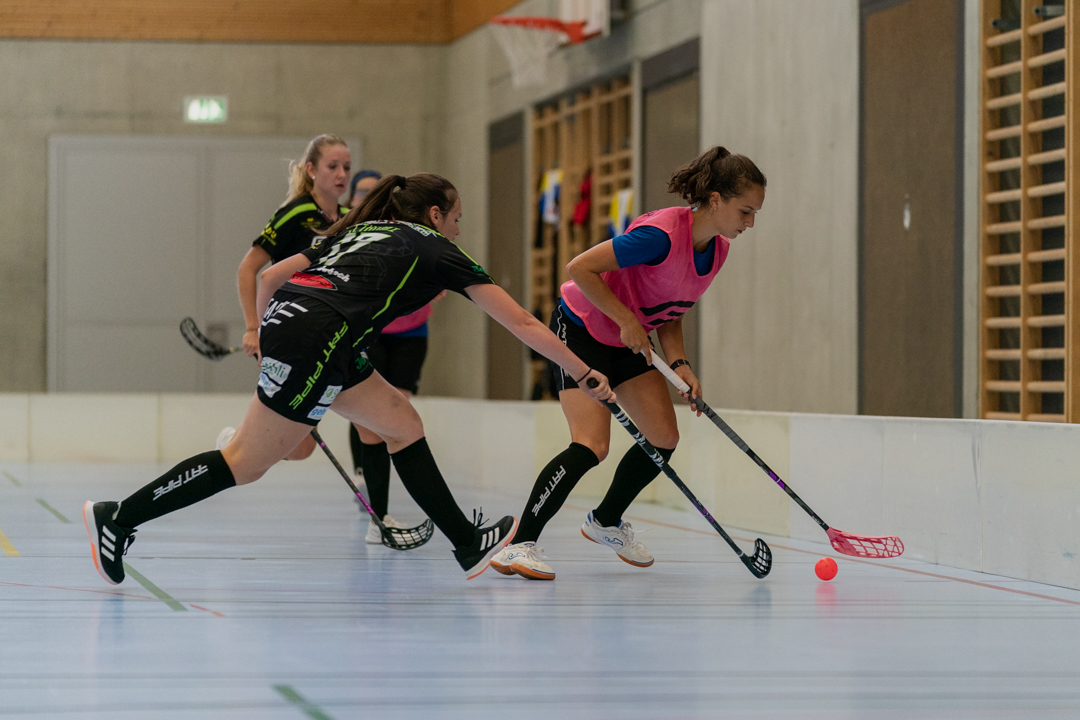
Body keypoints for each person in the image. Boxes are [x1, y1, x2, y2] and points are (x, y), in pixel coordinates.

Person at [83, 172, 615, 586]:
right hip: (322, 333)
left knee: (402, 422)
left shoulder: (364, 229)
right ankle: (119, 517)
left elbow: (271, 276)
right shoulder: (435, 248)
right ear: (435, 214)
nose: (459, 228)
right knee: (244, 463)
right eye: (457, 217)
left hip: (313, 328)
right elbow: (521, 321)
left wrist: (270, 337)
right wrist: (583, 370)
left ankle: (467, 544)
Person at [491, 146, 766, 581]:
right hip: (581, 329)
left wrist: (679, 363)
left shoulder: (716, 251)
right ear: (716, 200)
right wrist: (624, 319)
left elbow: (672, 307)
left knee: (663, 437)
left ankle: (604, 521)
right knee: (590, 445)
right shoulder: (659, 235)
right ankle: (519, 544)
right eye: (745, 211)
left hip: (627, 339)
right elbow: (579, 268)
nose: (750, 223)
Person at [219, 134, 352, 462]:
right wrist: (254, 327)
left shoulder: (350, 219)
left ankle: (237, 443)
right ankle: (234, 444)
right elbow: (248, 269)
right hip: (288, 333)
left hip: (327, 337)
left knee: (302, 448)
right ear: (311, 170)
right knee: (295, 444)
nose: (341, 175)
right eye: (332, 166)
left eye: (346, 167)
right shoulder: (296, 213)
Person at [344, 168, 445, 544]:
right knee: (369, 420)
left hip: (412, 334)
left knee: (396, 412)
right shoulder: (358, 234)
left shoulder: (413, 234)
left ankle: (381, 510)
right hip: (372, 333)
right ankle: (376, 509)